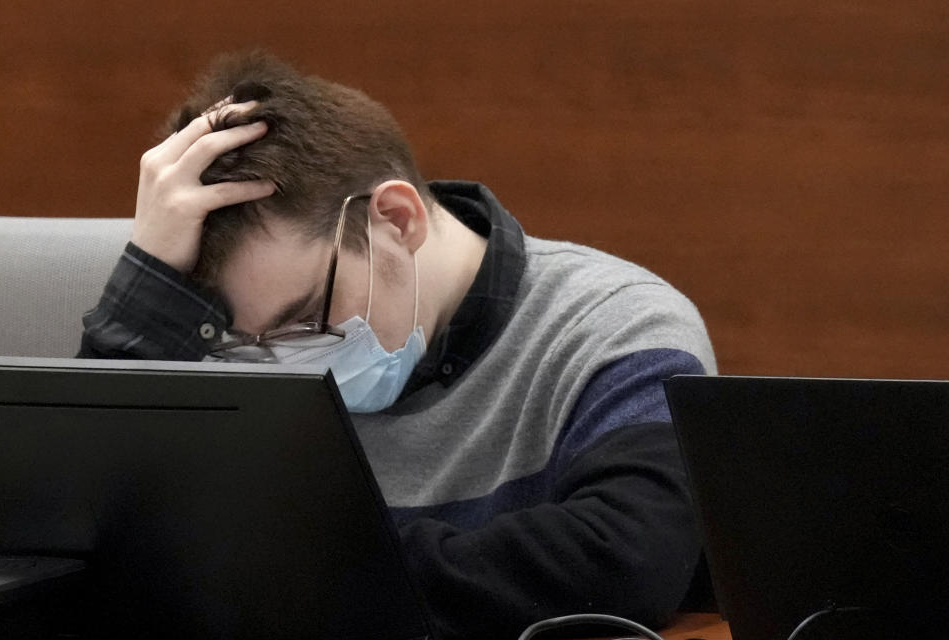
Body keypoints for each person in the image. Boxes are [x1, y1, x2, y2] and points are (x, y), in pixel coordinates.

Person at [79, 51, 717, 639]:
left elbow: (626, 559)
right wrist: (146, 292)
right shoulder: (217, 344)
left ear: (397, 219)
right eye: (247, 343)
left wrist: (273, 571)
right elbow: (67, 554)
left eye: (306, 316)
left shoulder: (617, 327)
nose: (284, 358)